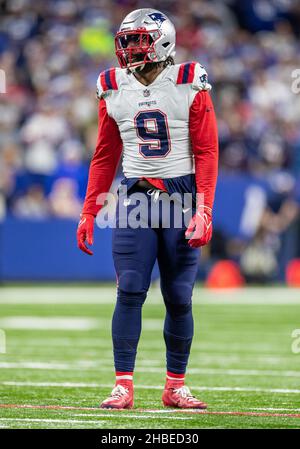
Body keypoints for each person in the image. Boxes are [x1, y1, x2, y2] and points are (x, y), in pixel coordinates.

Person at [77, 8, 218, 409]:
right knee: (130, 287)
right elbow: (105, 155)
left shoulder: (189, 80)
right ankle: (123, 384)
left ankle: (175, 386)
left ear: (163, 41)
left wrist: (204, 207)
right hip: (135, 197)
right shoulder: (111, 85)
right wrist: (89, 211)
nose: (129, 48)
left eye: (138, 39)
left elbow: (207, 151)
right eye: (126, 40)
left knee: (178, 295)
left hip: (182, 197)